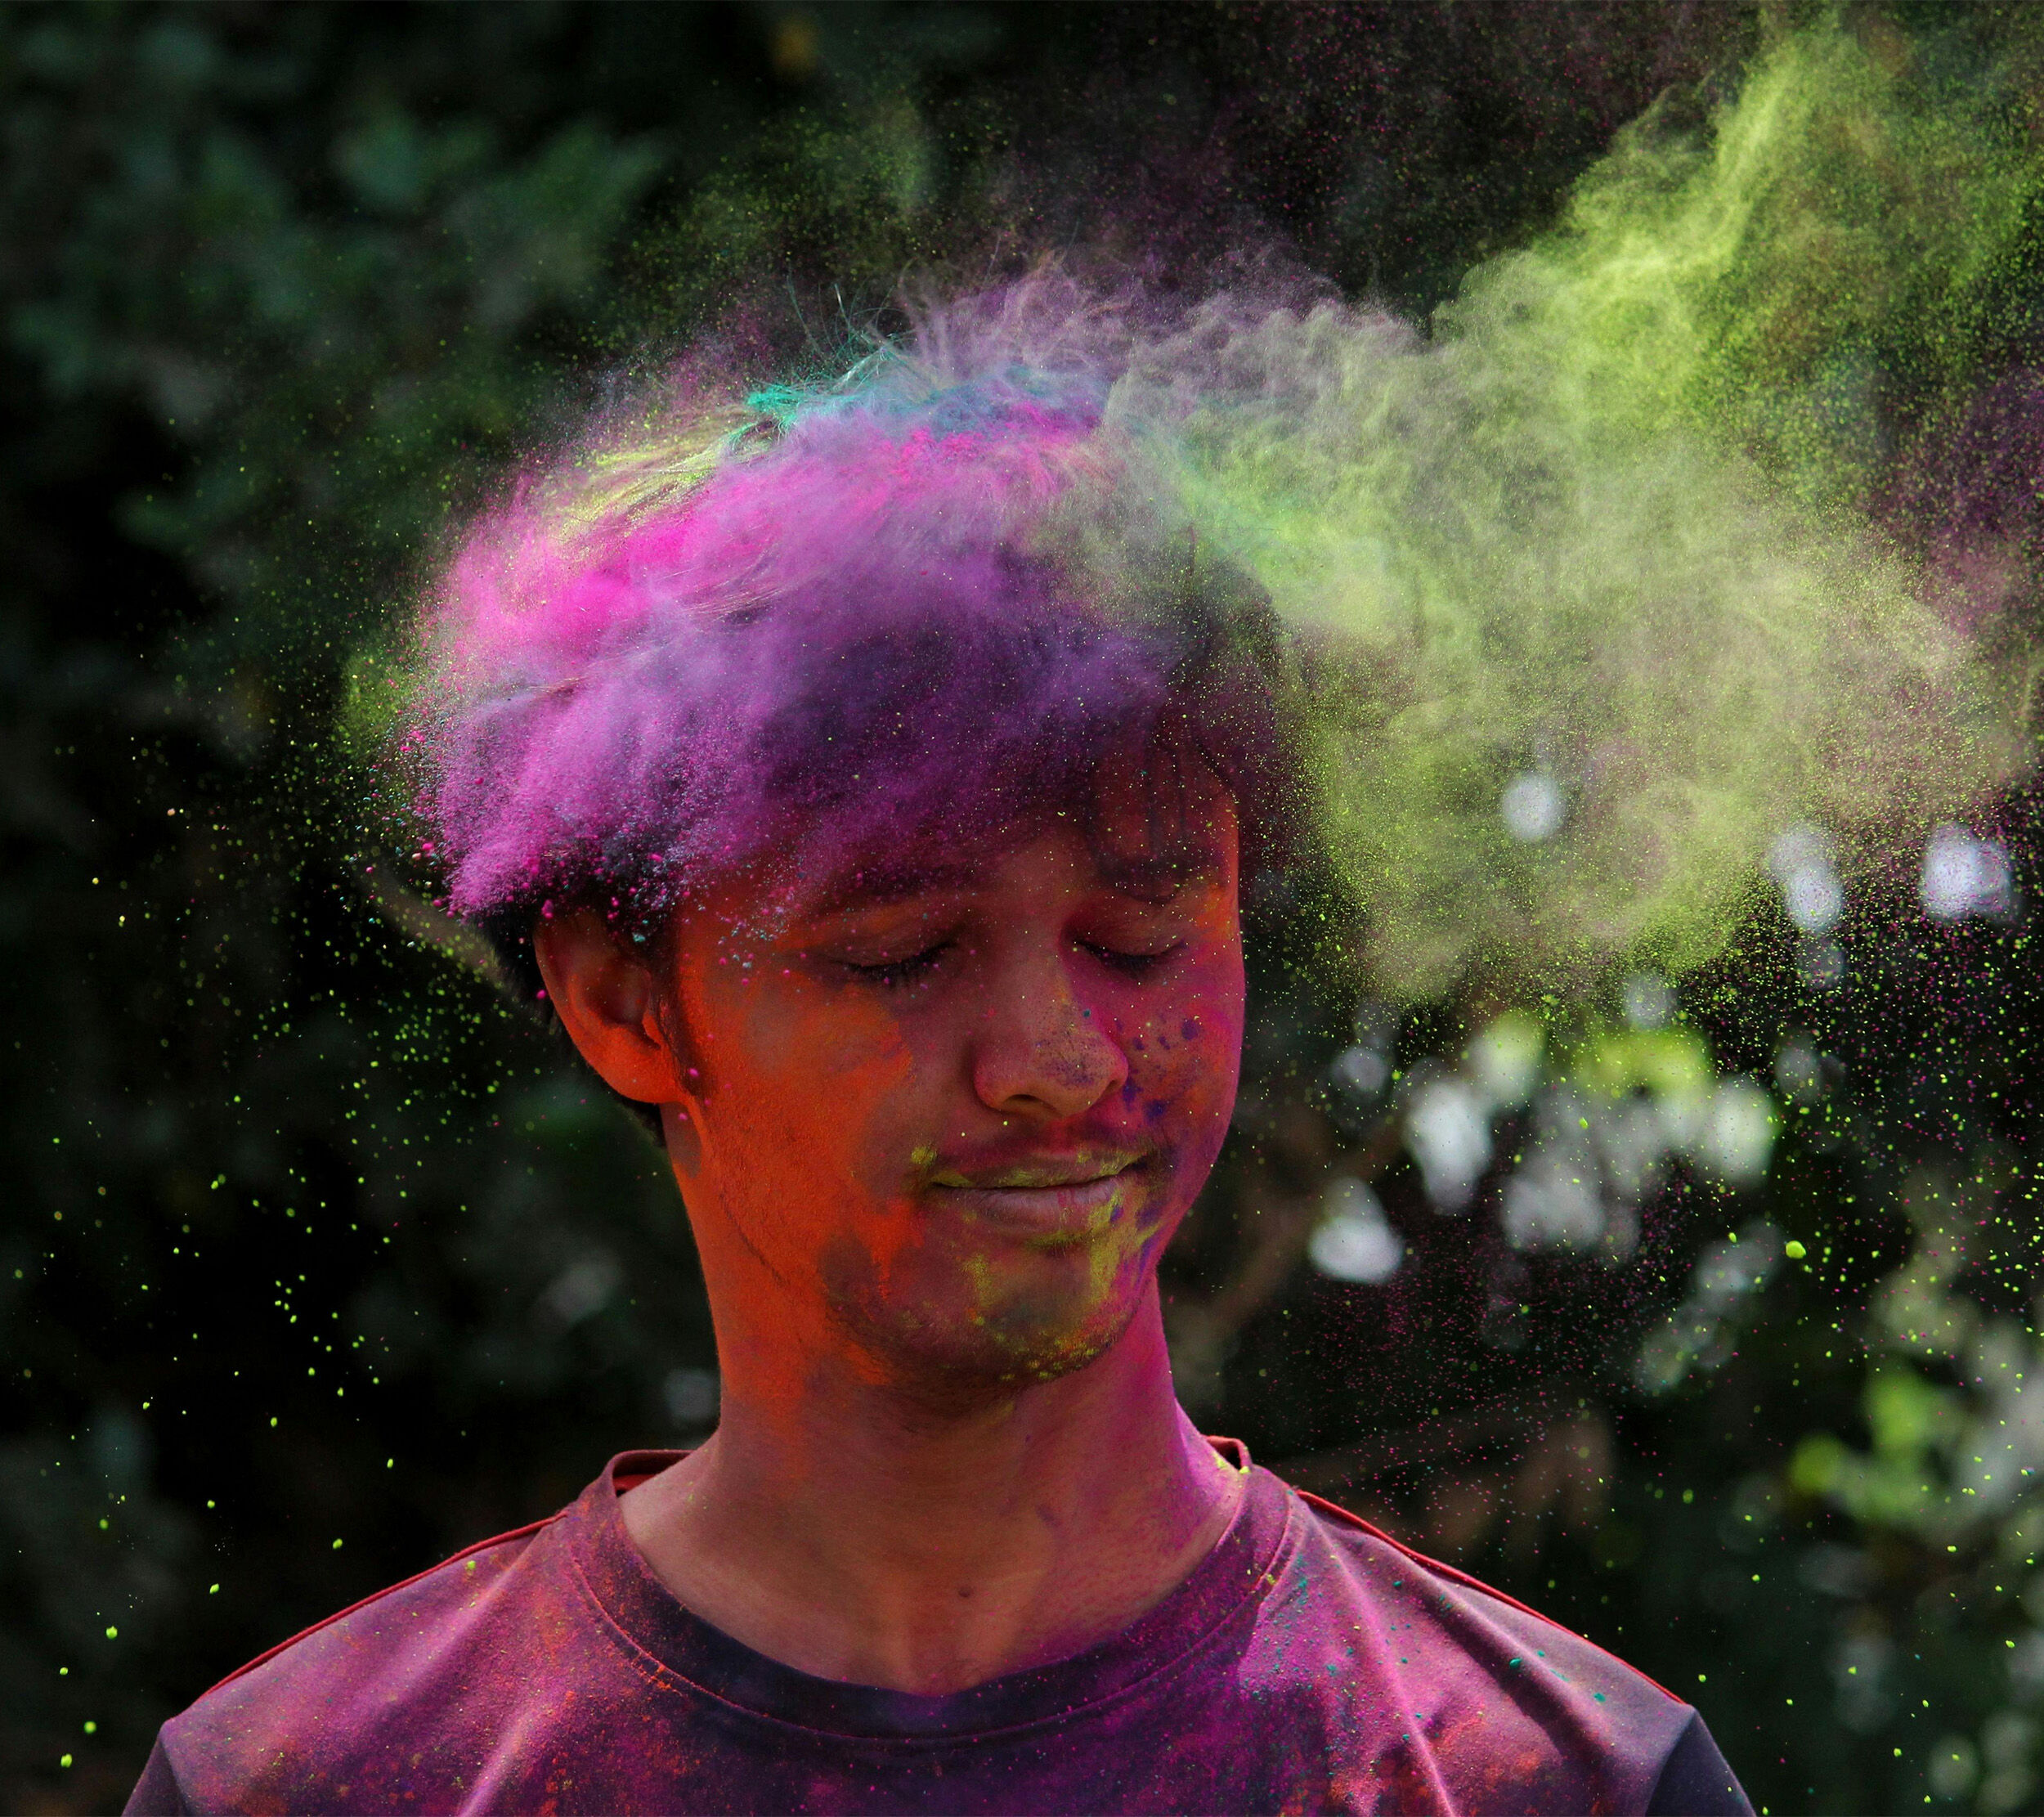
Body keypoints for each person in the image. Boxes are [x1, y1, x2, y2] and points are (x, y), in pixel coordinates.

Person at [128, 285, 1752, 1815]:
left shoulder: (1549, 1781)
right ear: (629, 1003)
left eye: (1136, 936)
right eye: (900, 954)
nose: (1051, 1057)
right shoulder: (320, 1784)